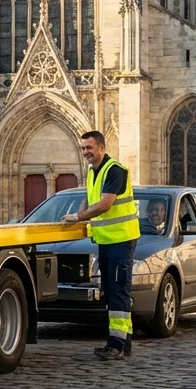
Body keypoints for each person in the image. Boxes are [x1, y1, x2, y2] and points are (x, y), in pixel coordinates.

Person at [62, 130, 140, 360]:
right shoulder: (92, 171)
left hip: (121, 240)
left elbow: (105, 205)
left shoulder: (115, 170)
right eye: (83, 148)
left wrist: (78, 217)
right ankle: (123, 341)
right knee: (111, 291)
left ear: (102, 148)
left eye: (89, 147)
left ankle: (116, 344)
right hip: (106, 240)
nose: (85, 152)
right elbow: (92, 201)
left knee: (118, 291)